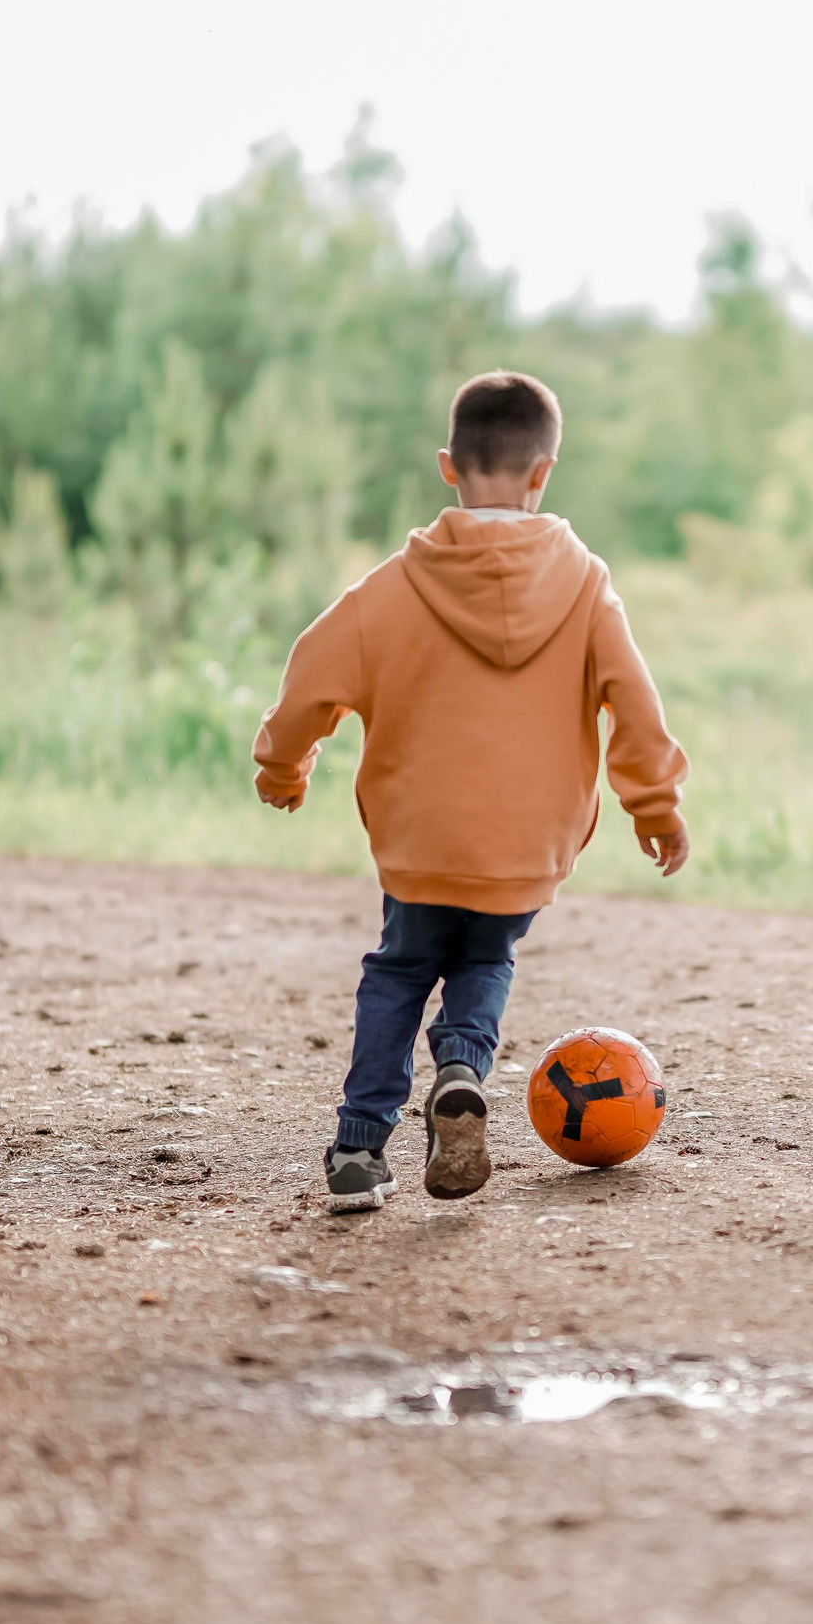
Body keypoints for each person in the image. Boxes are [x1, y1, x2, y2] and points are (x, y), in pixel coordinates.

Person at [254, 371, 690, 1211]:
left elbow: (312, 669)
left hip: (420, 840)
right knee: (486, 957)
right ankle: (460, 1065)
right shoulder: (585, 585)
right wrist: (655, 804)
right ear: (543, 472)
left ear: (449, 466)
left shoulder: (392, 587)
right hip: (524, 843)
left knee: (398, 971)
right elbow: (634, 700)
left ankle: (358, 1148)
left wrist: (283, 765)